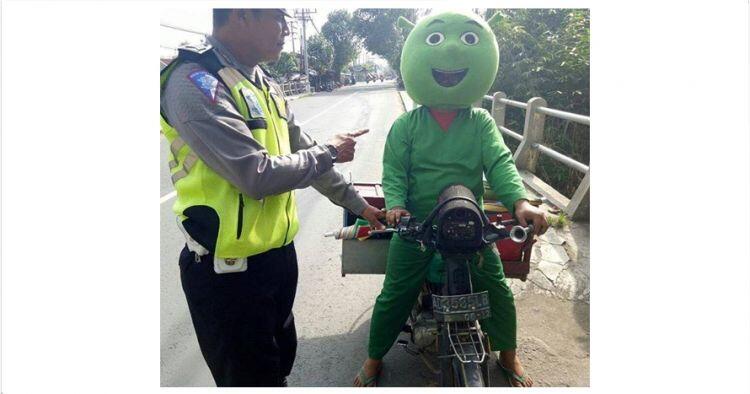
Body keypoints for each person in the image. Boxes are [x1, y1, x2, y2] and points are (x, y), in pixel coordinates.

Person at [160, 8, 384, 387]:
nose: (286, 28)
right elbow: (255, 175)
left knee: (278, 364)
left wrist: (359, 206)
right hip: (226, 273)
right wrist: (328, 152)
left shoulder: (264, 82)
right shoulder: (196, 81)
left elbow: (304, 150)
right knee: (250, 379)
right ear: (241, 15)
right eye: (279, 16)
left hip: (276, 258)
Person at [353, 11, 549, 387]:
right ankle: (375, 358)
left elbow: (500, 163)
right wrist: (395, 207)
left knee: (498, 291)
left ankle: (508, 356)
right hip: (416, 227)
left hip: (468, 224)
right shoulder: (406, 125)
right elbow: (393, 173)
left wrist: (519, 202)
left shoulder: (480, 122)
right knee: (394, 294)